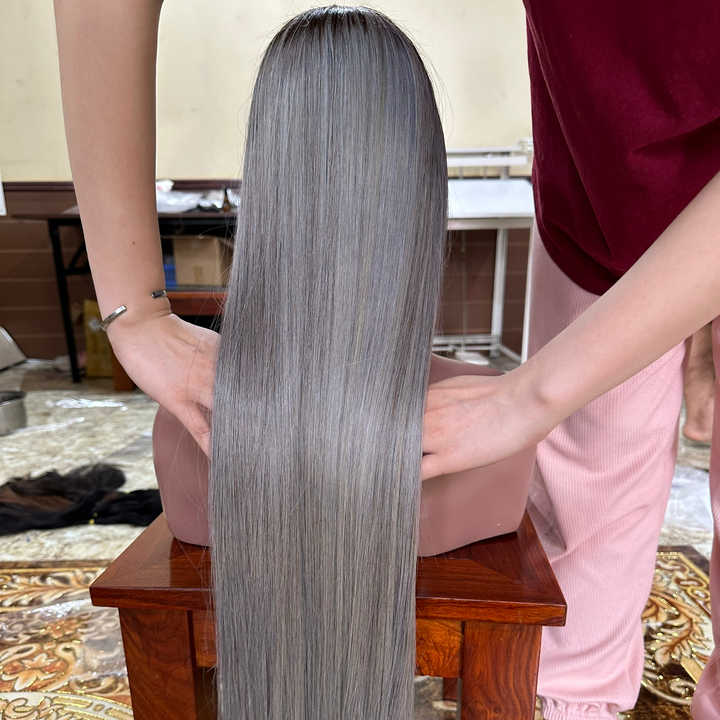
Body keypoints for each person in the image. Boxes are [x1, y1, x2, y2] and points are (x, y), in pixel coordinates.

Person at [54, 1, 720, 718]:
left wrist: (138, 312)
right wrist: (135, 317)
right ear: (420, 191)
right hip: (599, 199)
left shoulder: (195, 426)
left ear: (265, 184)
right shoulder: (486, 438)